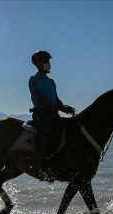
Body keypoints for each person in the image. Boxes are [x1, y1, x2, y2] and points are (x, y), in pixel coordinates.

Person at [28, 50, 76, 181]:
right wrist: (55, 106)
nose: (48, 64)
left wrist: (64, 107)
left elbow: (56, 99)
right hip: (42, 115)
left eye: (48, 61)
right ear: (37, 63)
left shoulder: (51, 82)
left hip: (53, 114)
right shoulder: (34, 80)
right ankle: (45, 168)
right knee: (48, 134)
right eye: (45, 61)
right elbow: (39, 97)